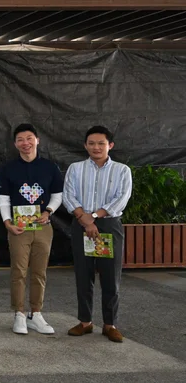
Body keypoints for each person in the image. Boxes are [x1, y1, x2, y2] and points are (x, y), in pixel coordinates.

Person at [63, 126, 132, 343]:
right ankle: (85, 322)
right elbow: (68, 195)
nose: (96, 147)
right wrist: (84, 218)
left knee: (111, 277)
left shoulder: (122, 170)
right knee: (83, 275)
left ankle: (110, 324)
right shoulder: (75, 168)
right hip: (81, 225)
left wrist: (93, 216)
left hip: (108, 225)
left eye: (101, 143)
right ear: (85, 146)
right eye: (91, 143)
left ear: (110, 145)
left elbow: (121, 198)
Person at [0, 124, 64, 335]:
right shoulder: (8, 169)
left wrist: (49, 211)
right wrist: (8, 222)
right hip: (18, 228)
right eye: (20, 140)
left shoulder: (50, 167)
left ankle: (36, 313)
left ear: (37, 140)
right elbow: (4, 199)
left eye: (29, 138)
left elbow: (58, 194)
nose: (25, 143)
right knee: (18, 271)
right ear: (15, 144)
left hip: (43, 227)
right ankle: (18, 313)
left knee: (39, 272)